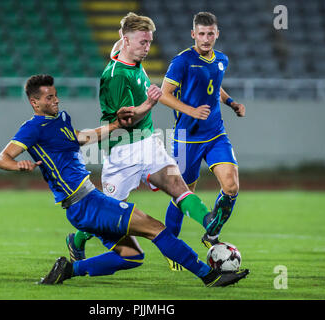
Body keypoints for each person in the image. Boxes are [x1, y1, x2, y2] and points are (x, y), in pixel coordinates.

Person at [0, 74, 249, 287]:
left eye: (55, 94)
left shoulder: (60, 120)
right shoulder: (32, 128)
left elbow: (82, 138)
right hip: (83, 203)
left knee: (131, 256)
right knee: (156, 228)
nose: (56, 99)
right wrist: (19, 165)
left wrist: (116, 124)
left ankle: (68, 269)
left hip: (87, 201)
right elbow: (2, 158)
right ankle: (209, 276)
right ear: (34, 102)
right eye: (49, 97)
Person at [66, 12, 219, 272]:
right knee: (107, 214)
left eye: (149, 42)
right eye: (142, 42)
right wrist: (149, 103)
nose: (147, 48)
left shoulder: (126, 51)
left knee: (176, 184)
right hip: (123, 151)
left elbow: (120, 38)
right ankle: (78, 238)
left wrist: (128, 23)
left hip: (148, 143)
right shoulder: (115, 76)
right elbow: (124, 120)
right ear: (126, 41)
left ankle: (210, 222)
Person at [159, 12, 246, 249]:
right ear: (193, 34)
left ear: (217, 34)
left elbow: (215, 87)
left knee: (231, 186)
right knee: (182, 194)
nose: (206, 39)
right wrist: (191, 110)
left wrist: (231, 103)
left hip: (216, 134)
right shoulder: (182, 61)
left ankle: (211, 236)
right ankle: (171, 247)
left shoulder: (222, 60)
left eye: (210, 34)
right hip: (187, 138)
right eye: (201, 34)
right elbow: (163, 95)